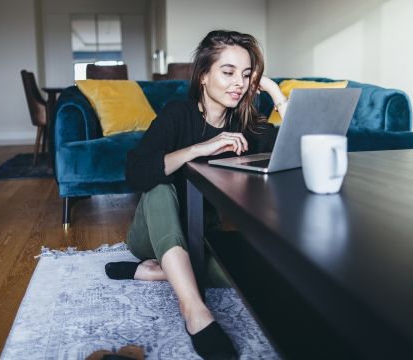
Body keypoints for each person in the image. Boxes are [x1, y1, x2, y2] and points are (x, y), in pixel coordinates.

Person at [105, 30, 289, 359]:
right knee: (159, 183)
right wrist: (198, 149)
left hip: (201, 235)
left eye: (246, 75)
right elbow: (136, 171)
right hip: (151, 232)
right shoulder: (178, 113)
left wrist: (275, 91)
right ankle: (194, 310)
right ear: (203, 75)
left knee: (249, 274)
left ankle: (154, 272)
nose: (239, 83)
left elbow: (294, 146)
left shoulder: (245, 124)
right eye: (228, 72)